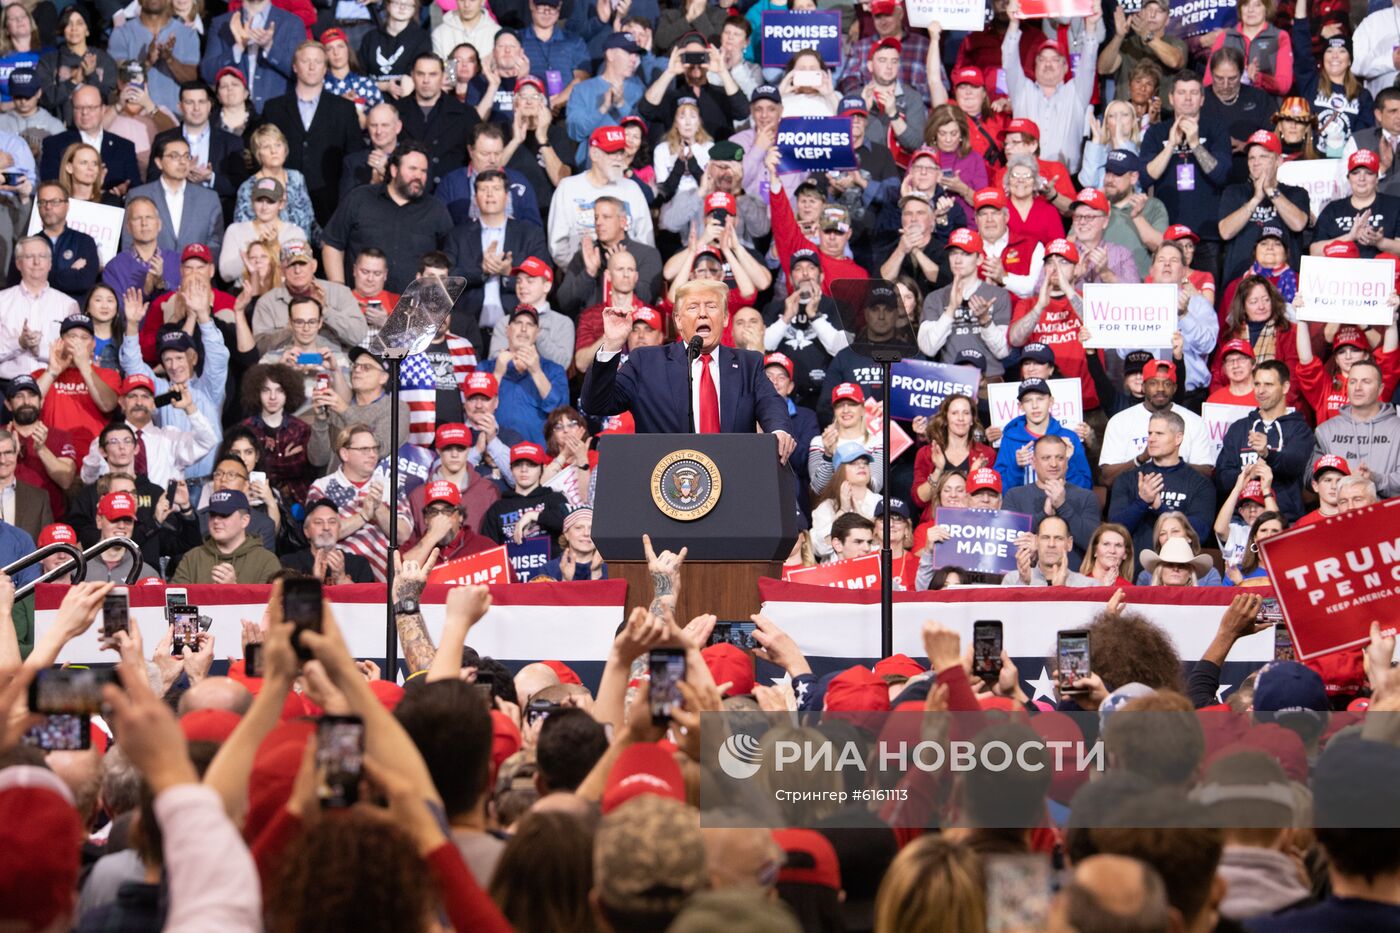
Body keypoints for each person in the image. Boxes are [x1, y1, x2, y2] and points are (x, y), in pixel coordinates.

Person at [580, 279, 794, 455]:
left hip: (732, 478)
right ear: (678, 321)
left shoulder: (749, 364)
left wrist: (779, 431)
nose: (703, 314)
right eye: (693, 307)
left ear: (725, 318)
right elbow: (596, 404)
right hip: (666, 484)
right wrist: (612, 344)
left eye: (711, 306)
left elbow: (770, 403)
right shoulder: (646, 362)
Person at [121, 297, 229, 492]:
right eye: (167, 359)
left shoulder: (208, 388)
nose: (174, 365)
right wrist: (132, 325)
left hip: (209, 484)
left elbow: (218, 356)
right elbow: (132, 365)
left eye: (179, 358)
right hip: (174, 485)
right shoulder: (160, 390)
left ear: (193, 358)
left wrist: (203, 316)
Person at [322, 143, 453, 293]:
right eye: (412, 169)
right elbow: (333, 244)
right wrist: (339, 290)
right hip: (359, 302)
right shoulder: (360, 198)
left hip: (412, 304)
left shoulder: (435, 210)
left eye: (423, 171)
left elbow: (449, 257)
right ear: (394, 170)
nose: (419, 176)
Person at [262, 41, 365, 225]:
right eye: (305, 61)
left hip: (331, 204)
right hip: (281, 202)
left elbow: (354, 153)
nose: (311, 67)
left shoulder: (344, 108)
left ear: (325, 68)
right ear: (295, 66)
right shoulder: (273, 108)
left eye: (317, 62)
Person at [444, 168, 550, 345]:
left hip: (516, 331)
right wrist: (481, 271)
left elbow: (543, 277)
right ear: (475, 198)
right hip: (469, 330)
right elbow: (447, 279)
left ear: (507, 196)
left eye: (496, 189)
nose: (490, 194)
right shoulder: (457, 235)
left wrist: (509, 272)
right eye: (483, 189)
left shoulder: (529, 234)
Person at [1140, 72, 1231, 275]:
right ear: (1171, 98)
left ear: (1202, 99)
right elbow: (1145, 177)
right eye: (1181, 92)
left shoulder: (1216, 129)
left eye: (1194, 93)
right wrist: (1170, 145)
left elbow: (1221, 175)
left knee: (1206, 292)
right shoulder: (1156, 133)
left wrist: (1195, 144)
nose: (1188, 98)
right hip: (1167, 233)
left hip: (1207, 233)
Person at [1108, 409, 1217, 572]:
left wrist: (1160, 507)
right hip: (1134, 572)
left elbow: (1199, 533)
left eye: (1159, 433)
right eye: (1150, 433)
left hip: (1177, 571)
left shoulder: (1200, 483)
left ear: (1178, 438)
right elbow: (1114, 531)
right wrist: (1142, 502)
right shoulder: (1128, 478)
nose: (1151, 439)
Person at [1001, 0, 1102, 173]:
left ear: (1065, 67)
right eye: (1042, 59)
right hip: (1025, 177)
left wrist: (1091, 27)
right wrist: (1013, 24)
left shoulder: (1076, 93)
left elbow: (1088, 64)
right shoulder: (1022, 91)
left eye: (1055, 59)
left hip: (1066, 179)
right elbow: (1010, 61)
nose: (1048, 64)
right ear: (1035, 66)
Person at [308, 423, 413, 581]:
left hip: (384, 577)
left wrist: (378, 508)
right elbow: (320, 534)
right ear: (345, 454)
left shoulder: (391, 486)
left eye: (375, 448)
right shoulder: (322, 487)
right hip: (337, 573)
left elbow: (403, 535)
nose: (372, 454)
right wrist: (364, 515)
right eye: (364, 449)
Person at [1215, 360, 1313, 522]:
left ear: (1285, 387)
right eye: (1257, 384)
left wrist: (1268, 454)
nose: (1261, 391)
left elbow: (1294, 465)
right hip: (1241, 519)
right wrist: (1248, 475)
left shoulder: (1299, 429)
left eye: (1268, 384)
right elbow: (1222, 478)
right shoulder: (1239, 428)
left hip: (1284, 519)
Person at [546, 125, 654, 266]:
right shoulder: (568, 188)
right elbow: (557, 245)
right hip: (580, 272)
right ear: (594, 154)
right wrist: (582, 271)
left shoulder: (632, 189)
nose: (618, 158)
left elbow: (646, 242)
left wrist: (626, 272)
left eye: (621, 152)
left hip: (626, 275)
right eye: (612, 152)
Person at [1217, 130, 1311, 284]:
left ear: (1278, 161)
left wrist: (1270, 191)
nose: (1256, 162)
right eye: (1251, 158)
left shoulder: (1296, 193)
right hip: (1241, 283)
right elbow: (1225, 232)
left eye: (1263, 157)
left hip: (1283, 283)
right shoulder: (1234, 192)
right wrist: (1255, 199)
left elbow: (1298, 224)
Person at [1100, 360, 1215, 484]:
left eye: (1167, 383)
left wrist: (1173, 462)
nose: (1160, 389)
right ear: (1143, 387)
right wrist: (1141, 459)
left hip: (1181, 493)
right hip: (1133, 492)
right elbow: (1108, 478)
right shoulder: (1119, 421)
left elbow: (1206, 473)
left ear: (1175, 388)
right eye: (1153, 383)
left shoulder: (1194, 422)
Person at [917, 227, 1012, 377]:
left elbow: (1003, 351)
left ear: (979, 259)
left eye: (966, 254)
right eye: (953, 253)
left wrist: (985, 321)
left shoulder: (998, 295)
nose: (958, 260)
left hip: (989, 379)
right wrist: (950, 311)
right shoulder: (934, 298)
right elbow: (928, 348)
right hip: (951, 379)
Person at [150, 81, 248, 221]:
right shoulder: (163, 139)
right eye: (189, 102)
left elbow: (239, 185)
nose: (196, 108)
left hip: (215, 217)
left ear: (209, 105)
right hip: (171, 214)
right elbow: (151, 180)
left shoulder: (231, 142)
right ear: (180, 106)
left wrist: (210, 177)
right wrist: (178, 173)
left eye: (201, 102)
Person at [251, 240, 366, 353]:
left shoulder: (340, 293)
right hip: (285, 362)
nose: (297, 271)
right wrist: (291, 330)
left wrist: (326, 311)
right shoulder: (267, 302)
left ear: (314, 266)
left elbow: (358, 336)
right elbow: (259, 348)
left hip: (334, 360)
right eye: (291, 265)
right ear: (282, 270)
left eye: (302, 264)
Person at [1003, 435, 1101, 565]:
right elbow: (1007, 544)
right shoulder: (1014, 496)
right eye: (1046, 458)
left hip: (1073, 575)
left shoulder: (1086, 497)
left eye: (1060, 458)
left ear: (1067, 462)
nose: (1054, 464)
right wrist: (1044, 514)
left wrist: (1062, 506)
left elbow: (1094, 544)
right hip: (1028, 574)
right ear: (1033, 462)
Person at [307, 345, 410, 467]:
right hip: (335, 478)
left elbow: (381, 449)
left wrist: (345, 411)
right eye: (355, 366)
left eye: (366, 367)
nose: (357, 370)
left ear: (383, 378)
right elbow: (318, 460)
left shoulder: (396, 408)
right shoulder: (337, 405)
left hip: (375, 479)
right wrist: (320, 420)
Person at [1311, 358, 1400, 497]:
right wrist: (1341, 479)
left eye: (1366, 381)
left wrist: (1374, 479)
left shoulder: (1397, 429)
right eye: (1352, 382)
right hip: (1340, 509)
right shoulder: (1325, 431)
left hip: (1388, 510)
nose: (1358, 387)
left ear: (1380, 389)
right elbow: (1311, 478)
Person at [124, 135, 225, 255]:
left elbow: (215, 243)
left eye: (186, 156)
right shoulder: (138, 195)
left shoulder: (208, 199)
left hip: (195, 266)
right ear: (159, 162)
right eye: (174, 156)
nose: (182, 162)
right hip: (150, 266)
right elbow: (129, 242)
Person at [485, 305, 568, 446]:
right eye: (518, 323)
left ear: (537, 333)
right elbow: (477, 410)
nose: (523, 329)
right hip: (494, 452)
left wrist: (536, 372)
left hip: (539, 455)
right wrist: (498, 374)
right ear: (507, 330)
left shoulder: (554, 370)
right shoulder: (486, 368)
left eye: (530, 324)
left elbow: (561, 415)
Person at [394, 54, 478, 193]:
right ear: (412, 75)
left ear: (443, 76)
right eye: (421, 74)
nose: (426, 80)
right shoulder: (395, 112)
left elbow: (478, 154)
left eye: (432, 74)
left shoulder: (465, 114)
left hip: (451, 193)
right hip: (408, 192)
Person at [0, 236, 79, 383]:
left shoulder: (68, 304)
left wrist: (39, 349)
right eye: (29, 257)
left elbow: (74, 354)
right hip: (6, 386)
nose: (36, 262)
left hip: (54, 384)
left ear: (50, 263)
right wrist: (19, 343)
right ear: (18, 263)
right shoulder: (2, 301)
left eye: (42, 256)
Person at [39, 86, 142, 195]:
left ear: (103, 110)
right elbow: (50, 185)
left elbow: (135, 186)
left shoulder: (124, 147)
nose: (84, 112)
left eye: (91, 108)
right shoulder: (54, 145)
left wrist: (124, 191)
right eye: (78, 108)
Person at [994, 378, 1093, 491]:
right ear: (1020, 406)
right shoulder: (1010, 439)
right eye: (1028, 400)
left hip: (1064, 502)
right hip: (1024, 502)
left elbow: (1086, 487)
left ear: (1051, 401)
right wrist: (1016, 467)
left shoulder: (1069, 438)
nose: (1035, 405)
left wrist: (1066, 463)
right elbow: (999, 490)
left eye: (1040, 399)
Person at [106, 0, 200, 114]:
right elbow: (120, 80)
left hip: (175, 118)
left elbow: (191, 80)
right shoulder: (121, 34)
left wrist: (170, 59)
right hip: (134, 117)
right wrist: (148, 61)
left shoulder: (188, 34)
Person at [170, 488, 282, 583]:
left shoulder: (266, 561)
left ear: (245, 520)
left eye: (224, 515)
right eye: (212, 514)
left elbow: (273, 602)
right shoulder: (192, 557)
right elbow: (173, 600)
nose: (216, 520)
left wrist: (232, 590)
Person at [10, 182, 100, 299]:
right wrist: (69, 272)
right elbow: (16, 285)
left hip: (72, 309)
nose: (48, 207)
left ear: (67, 205)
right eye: (43, 202)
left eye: (55, 202)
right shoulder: (27, 245)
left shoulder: (84, 241)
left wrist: (37, 276)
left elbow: (84, 282)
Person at [479, 441, 567, 544]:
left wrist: (533, 516)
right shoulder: (497, 509)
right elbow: (488, 547)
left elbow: (571, 524)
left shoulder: (555, 498)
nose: (524, 469)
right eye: (518, 465)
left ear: (542, 469)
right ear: (511, 469)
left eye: (531, 464)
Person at [280, 495, 376, 583]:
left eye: (332, 522)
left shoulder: (359, 564)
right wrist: (315, 582)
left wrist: (342, 579)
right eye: (318, 522)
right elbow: (283, 596)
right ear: (306, 531)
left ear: (339, 529)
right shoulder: (289, 563)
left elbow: (370, 596)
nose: (326, 527)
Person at [810, 383, 885, 494]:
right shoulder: (819, 442)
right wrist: (828, 456)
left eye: (852, 404)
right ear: (834, 410)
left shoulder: (877, 442)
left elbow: (875, 487)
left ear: (863, 409)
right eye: (840, 405)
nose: (846, 410)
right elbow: (818, 489)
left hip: (864, 503)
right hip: (831, 503)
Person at [401, 479, 496, 565]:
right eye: (433, 512)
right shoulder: (411, 547)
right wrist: (431, 537)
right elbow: (399, 574)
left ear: (460, 516)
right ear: (426, 519)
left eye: (447, 511)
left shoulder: (484, 546)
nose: (440, 517)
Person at [810, 442, 877, 562]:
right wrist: (843, 511)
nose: (861, 466)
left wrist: (861, 516)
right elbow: (819, 548)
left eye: (865, 463)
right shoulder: (826, 507)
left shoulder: (881, 503)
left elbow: (883, 544)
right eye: (853, 463)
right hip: (837, 571)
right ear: (839, 470)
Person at [1004, 513, 1096, 586]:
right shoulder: (1012, 580)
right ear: (1036, 542)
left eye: (1059, 538)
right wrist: (1024, 583)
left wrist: (1060, 590)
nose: (1051, 544)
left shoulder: (1088, 585)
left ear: (1069, 544)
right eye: (1045, 538)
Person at [0, 427, 50, 541]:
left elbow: (47, 546)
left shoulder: (39, 498)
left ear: (16, 453)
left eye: (8, 452)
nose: (2, 460)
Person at [538, 505, 607, 581]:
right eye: (579, 528)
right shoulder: (548, 570)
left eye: (592, 528)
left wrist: (596, 574)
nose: (586, 533)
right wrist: (565, 580)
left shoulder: (612, 568)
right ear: (566, 534)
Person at [1293, 454, 1348, 527]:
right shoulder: (1303, 525)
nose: (1334, 486)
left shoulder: (1356, 517)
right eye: (1328, 480)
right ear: (1315, 486)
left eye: (1339, 480)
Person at [1080, 522, 1135, 587]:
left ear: (1125, 554)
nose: (1112, 551)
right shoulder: (1077, 584)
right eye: (1106, 544)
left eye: (1118, 545)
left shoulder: (1129, 589)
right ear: (1095, 550)